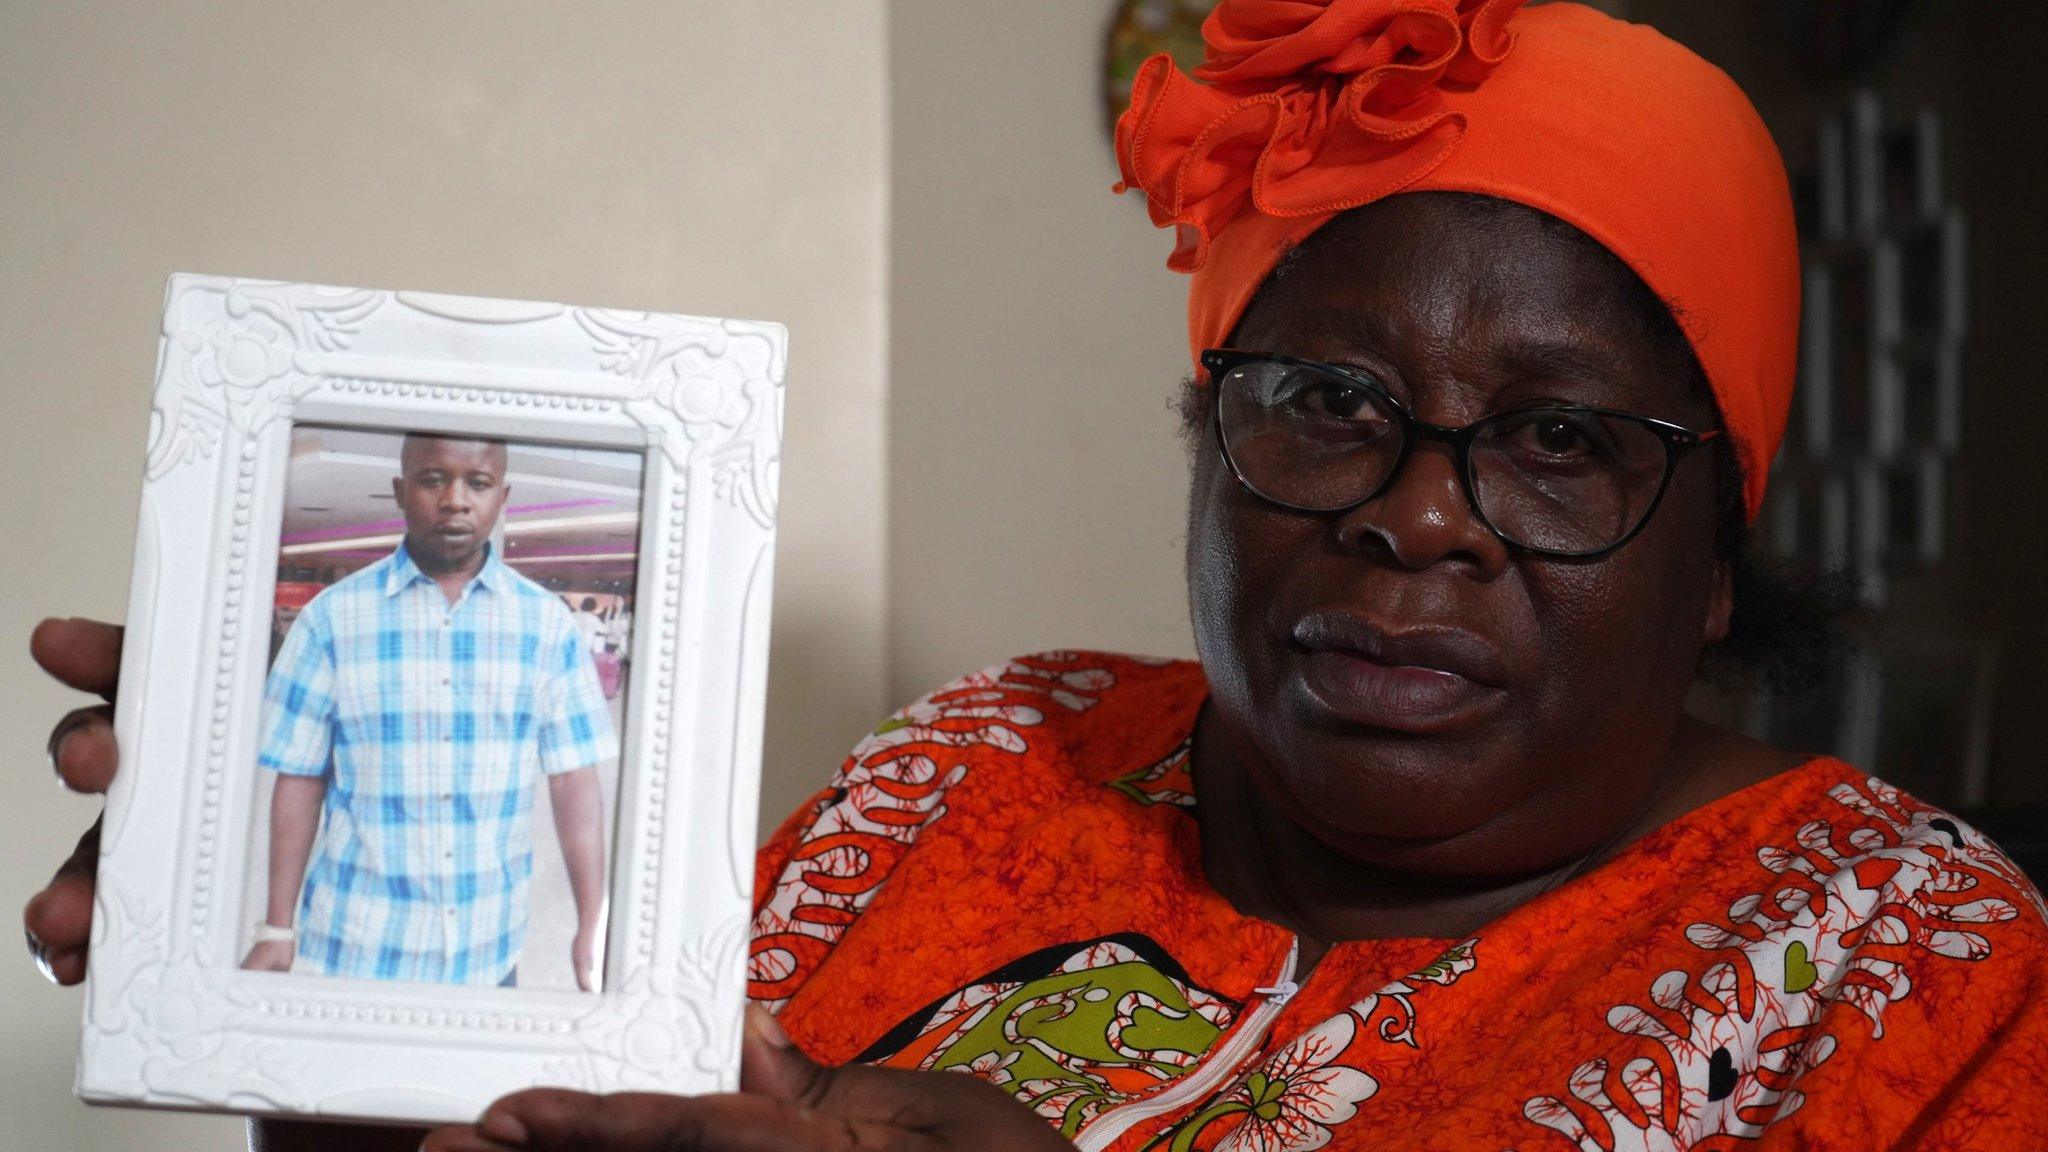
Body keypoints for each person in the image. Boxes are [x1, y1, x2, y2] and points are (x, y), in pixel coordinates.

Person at [24, 2, 2048, 1149]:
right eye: (1329, 396)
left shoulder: (1912, 972)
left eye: (1557, 441)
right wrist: (360, 1072)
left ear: (1716, 560)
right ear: (1207, 432)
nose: (1415, 519)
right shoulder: (989, 758)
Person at [242, 432, 616, 990]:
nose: (456, 500)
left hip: (490, 952)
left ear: (502, 496)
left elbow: (574, 783)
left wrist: (593, 922)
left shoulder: (546, 626)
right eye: (433, 479)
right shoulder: (329, 621)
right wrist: (277, 927)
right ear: (400, 490)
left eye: (479, 483)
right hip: (359, 949)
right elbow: (299, 779)